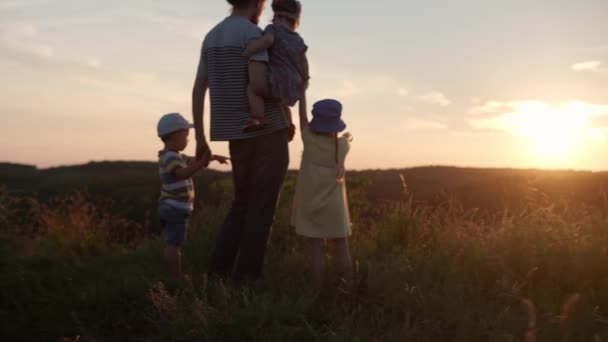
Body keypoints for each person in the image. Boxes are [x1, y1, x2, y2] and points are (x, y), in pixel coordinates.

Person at [192, 0, 291, 284]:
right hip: (268, 131)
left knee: (242, 204)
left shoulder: (211, 37)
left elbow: (199, 88)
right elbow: (261, 86)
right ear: (258, 3)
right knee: (262, 208)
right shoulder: (253, 34)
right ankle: (247, 280)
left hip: (236, 134)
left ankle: (217, 275)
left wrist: (200, 137)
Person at [156, 112, 229, 282]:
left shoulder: (177, 156)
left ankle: (175, 275)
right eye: (186, 136)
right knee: (173, 244)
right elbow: (181, 174)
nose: (188, 140)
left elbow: (194, 160)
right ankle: (175, 278)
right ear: (175, 135)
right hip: (173, 207)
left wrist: (212, 157)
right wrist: (200, 165)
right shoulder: (169, 157)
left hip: (176, 207)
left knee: (174, 243)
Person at [291, 96, 354, 288]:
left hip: (312, 205)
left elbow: (302, 118)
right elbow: (348, 136)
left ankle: (315, 290)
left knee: (316, 248)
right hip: (335, 208)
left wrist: (302, 94)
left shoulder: (308, 141)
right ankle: (348, 286)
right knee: (341, 246)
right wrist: (347, 135)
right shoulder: (342, 146)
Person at [242, 0, 309, 133]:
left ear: (276, 16)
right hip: (294, 84)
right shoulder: (298, 39)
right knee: (280, 102)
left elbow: (268, 40)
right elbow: (303, 61)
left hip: (277, 79)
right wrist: (305, 79)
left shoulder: (273, 29)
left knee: (253, 89)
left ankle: (258, 117)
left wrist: (249, 50)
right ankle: (288, 124)